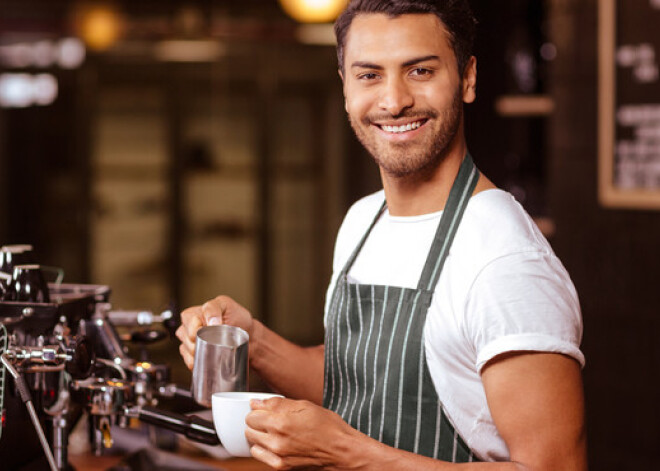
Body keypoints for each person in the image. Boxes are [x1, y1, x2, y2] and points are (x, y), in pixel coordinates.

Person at [176, 0, 587, 469]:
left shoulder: (505, 261)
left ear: (468, 78)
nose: (393, 102)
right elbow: (358, 384)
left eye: (420, 71)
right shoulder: (364, 219)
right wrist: (256, 342)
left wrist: (349, 453)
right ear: (345, 85)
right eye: (369, 75)